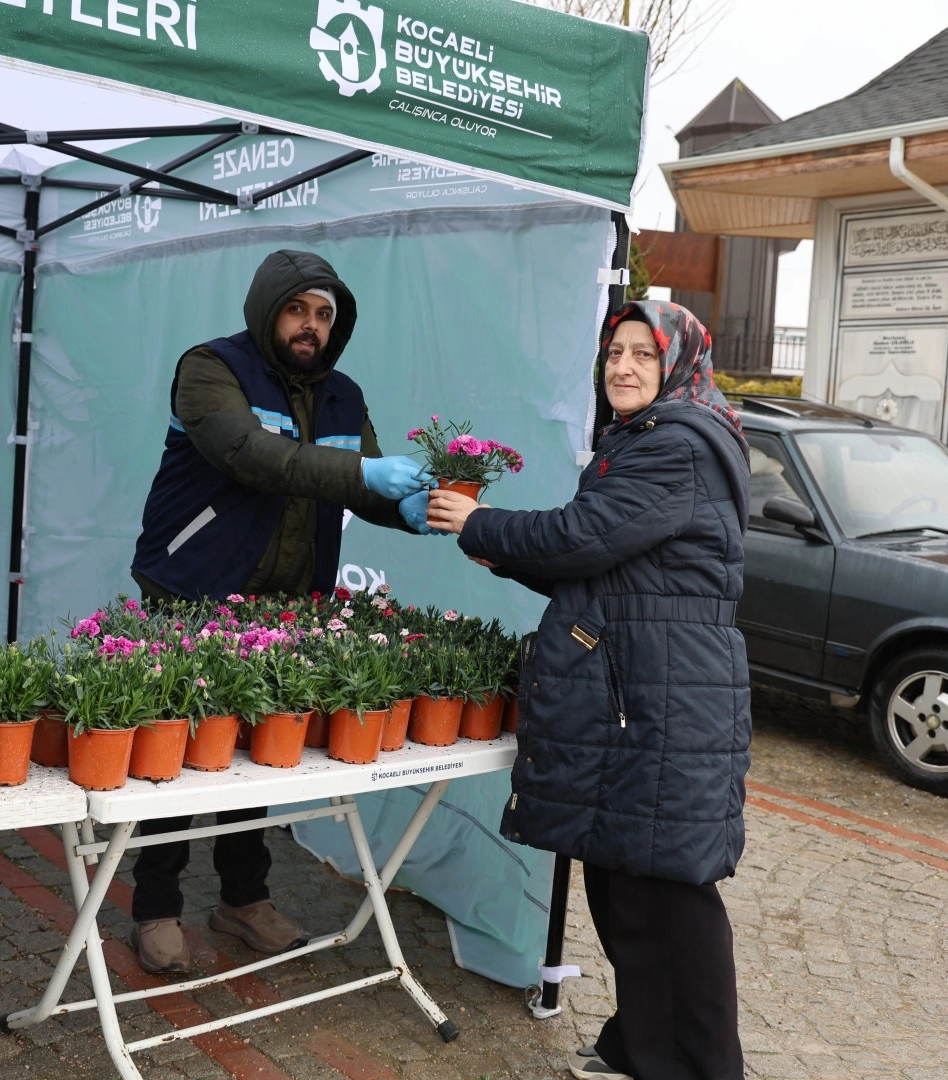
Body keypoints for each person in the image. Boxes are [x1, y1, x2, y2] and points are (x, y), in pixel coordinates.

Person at [427, 300, 750, 1080]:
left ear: (677, 364)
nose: (624, 367)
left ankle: (700, 1069)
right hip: (644, 682)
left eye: (644, 353)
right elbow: (605, 563)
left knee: (663, 895)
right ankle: (644, 1051)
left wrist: (481, 524)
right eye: (615, 352)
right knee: (625, 883)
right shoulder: (645, 441)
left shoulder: (675, 445)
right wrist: (501, 554)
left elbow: (582, 537)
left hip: (660, 693)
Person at [127, 248, 438, 974]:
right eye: (297, 309)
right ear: (268, 310)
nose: (311, 326)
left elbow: (363, 486)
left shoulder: (343, 394)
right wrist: (367, 472)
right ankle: (155, 908)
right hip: (192, 589)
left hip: (285, 609)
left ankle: (243, 900)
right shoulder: (210, 369)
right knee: (179, 754)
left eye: (324, 314)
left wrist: (415, 510)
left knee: (260, 758)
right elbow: (253, 457)